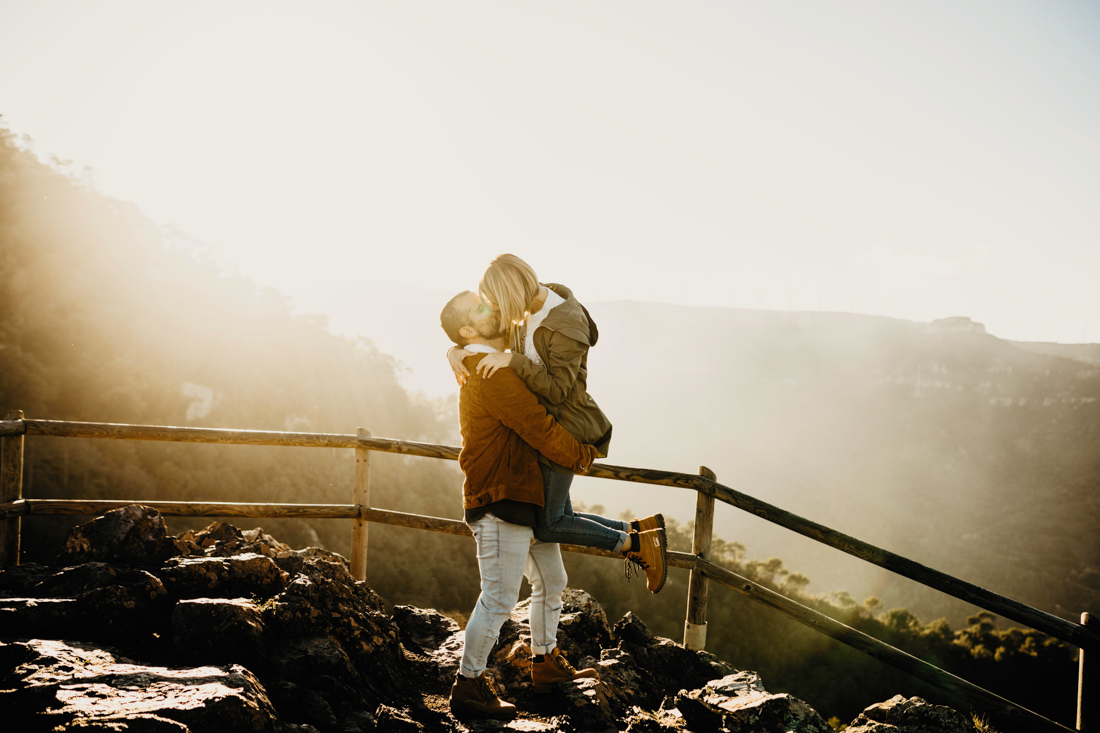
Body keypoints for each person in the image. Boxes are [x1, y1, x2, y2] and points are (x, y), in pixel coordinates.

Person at [439, 290, 667, 720]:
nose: (493, 308)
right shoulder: (490, 373)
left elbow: (545, 296)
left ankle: (545, 662)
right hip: (501, 497)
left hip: (527, 493)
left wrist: (453, 350)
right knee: (499, 598)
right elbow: (538, 426)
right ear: (468, 330)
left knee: (552, 581)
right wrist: (580, 454)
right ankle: (468, 685)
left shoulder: (490, 357)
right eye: (481, 308)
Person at [448, 254, 668, 593]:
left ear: (510, 293)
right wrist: (455, 350)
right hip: (546, 426)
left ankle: (636, 544)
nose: (494, 309)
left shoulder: (566, 325)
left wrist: (514, 361)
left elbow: (558, 390)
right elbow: (481, 334)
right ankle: (637, 530)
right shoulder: (526, 306)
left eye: (495, 302)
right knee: (560, 516)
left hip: (565, 427)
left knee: (550, 525)